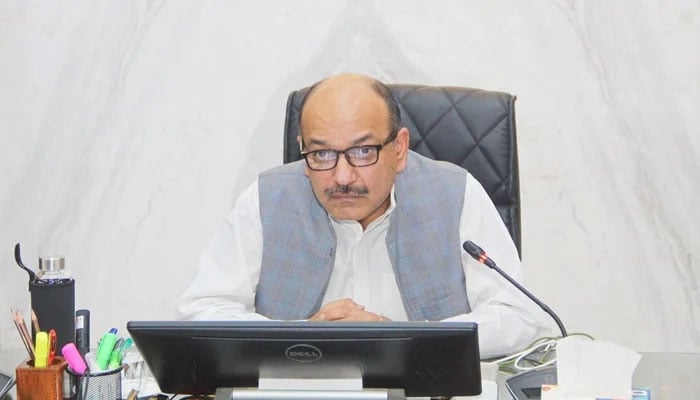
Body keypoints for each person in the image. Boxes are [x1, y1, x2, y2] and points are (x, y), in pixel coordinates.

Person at [178, 73, 550, 357]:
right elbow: (202, 309)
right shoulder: (266, 199)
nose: (342, 177)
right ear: (302, 149)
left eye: (362, 152)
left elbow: (518, 315)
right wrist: (299, 336)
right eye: (321, 154)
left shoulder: (456, 193)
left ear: (399, 148)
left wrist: (400, 339)